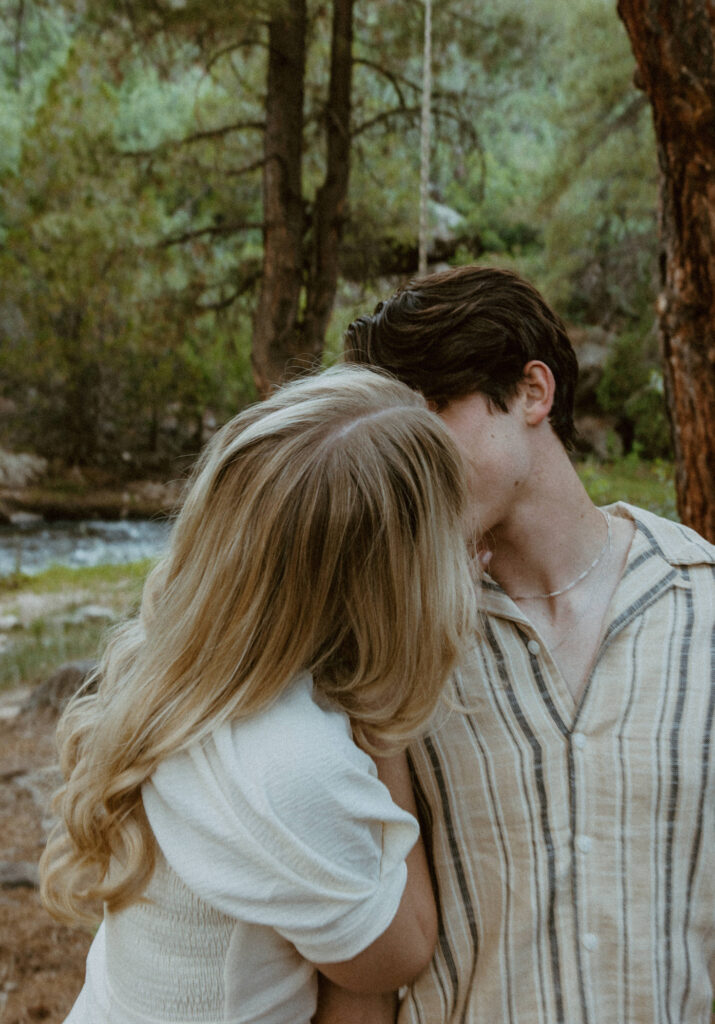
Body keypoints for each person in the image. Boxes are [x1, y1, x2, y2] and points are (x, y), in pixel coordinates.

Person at [332, 265, 715, 1024]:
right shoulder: (384, 644)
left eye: (431, 415)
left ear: (531, 394)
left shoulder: (703, 607)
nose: (405, 466)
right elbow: (361, 964)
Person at [39, 365, 479, 1024]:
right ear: (392, 585)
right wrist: (384, 715)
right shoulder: (289, 763)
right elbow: (397, 955)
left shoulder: (180, 664)